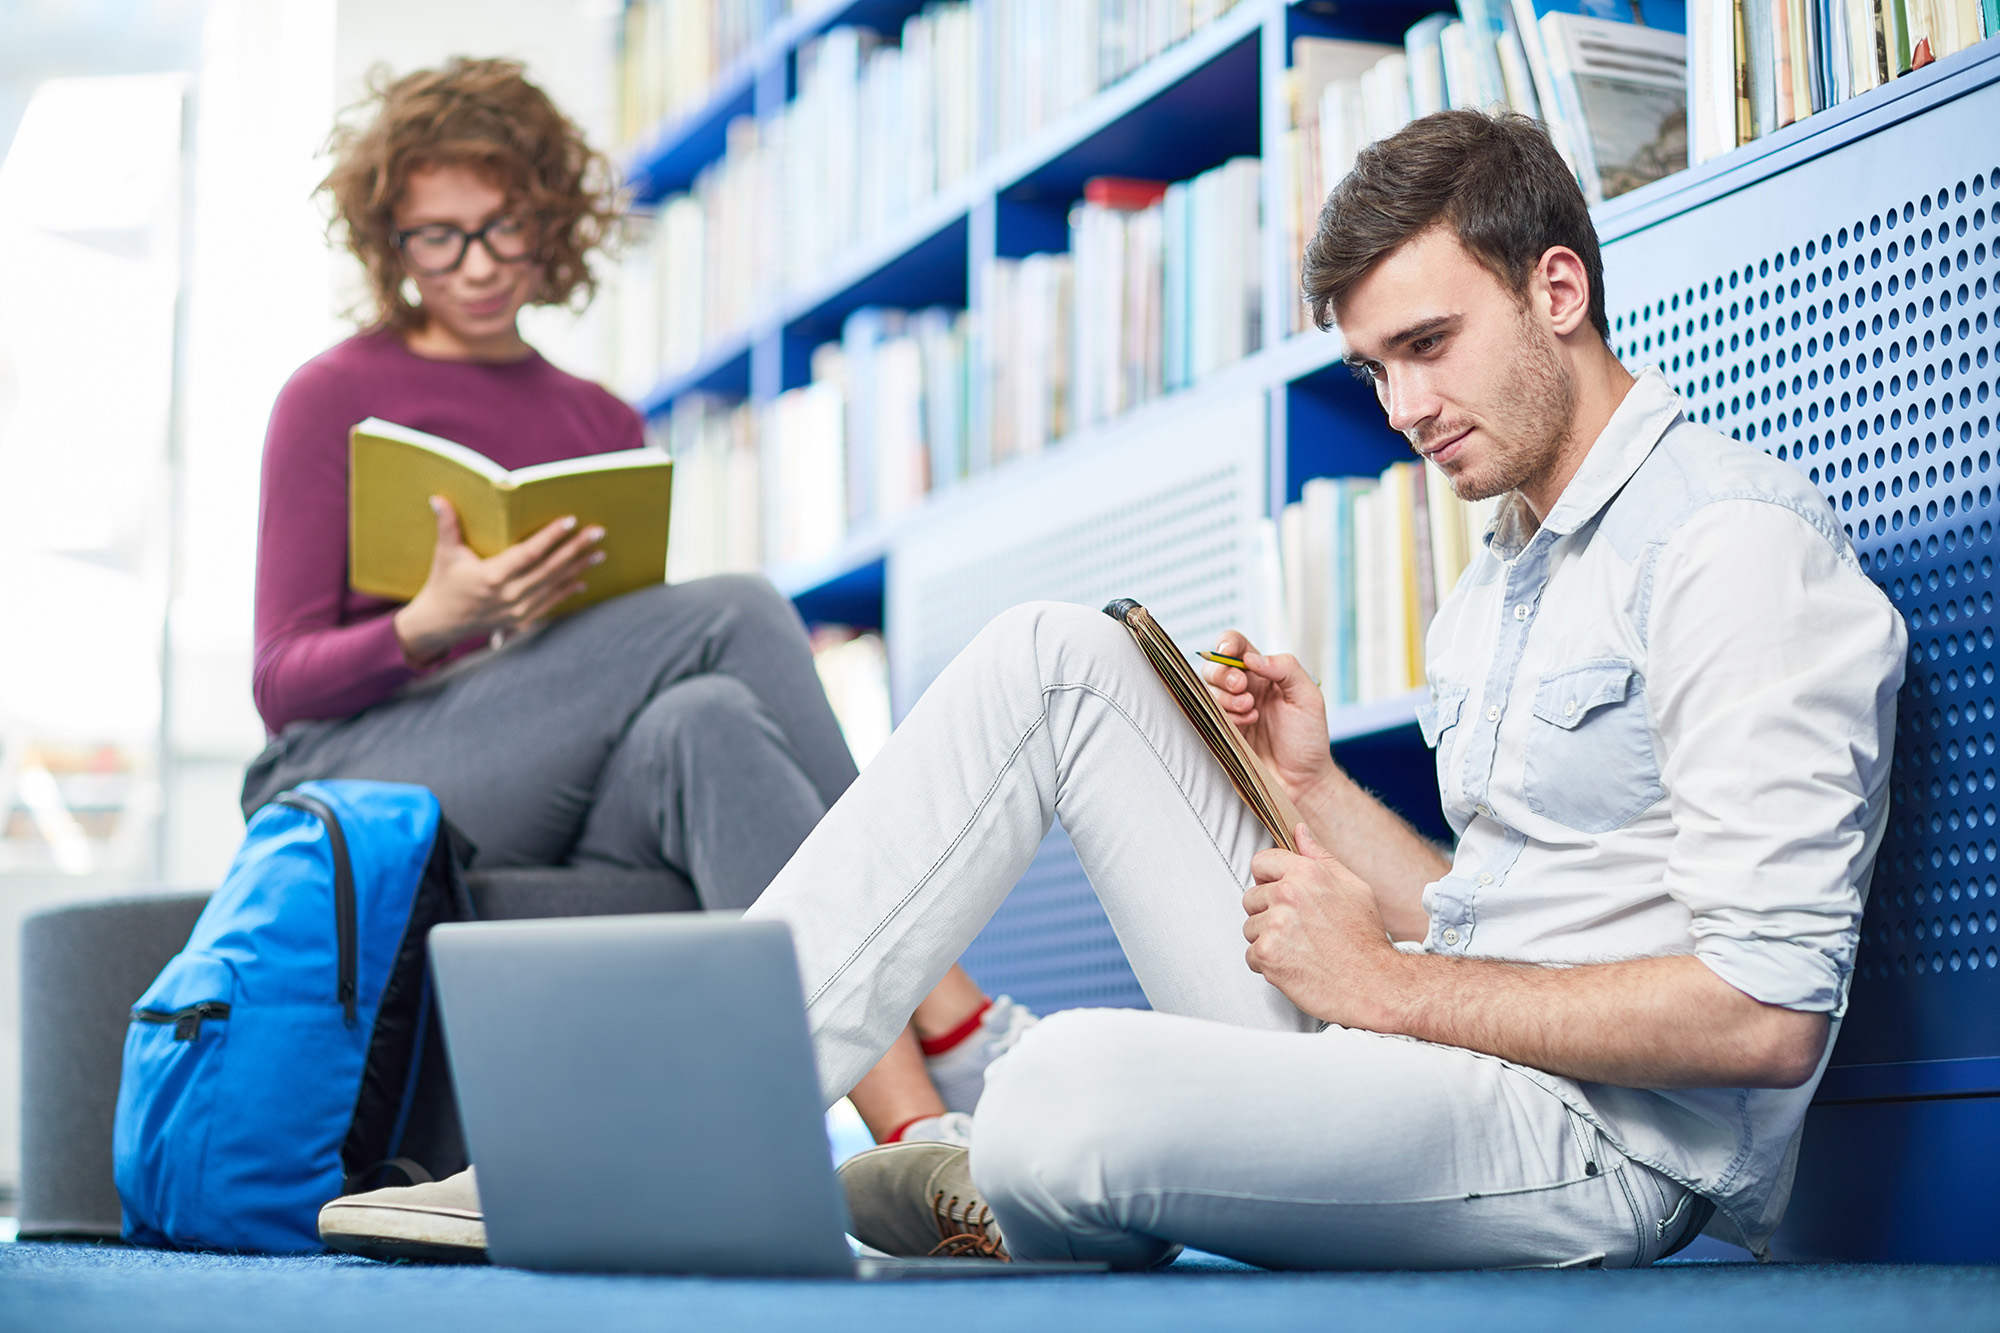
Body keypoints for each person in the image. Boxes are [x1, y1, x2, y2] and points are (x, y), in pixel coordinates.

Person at [743, 109, 1905, 1269]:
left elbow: (1763, 1015)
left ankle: (1010, 1152)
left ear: (1557, 291)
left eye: (1428, 343)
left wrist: (1388, 987)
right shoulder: (1498, 576)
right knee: (1051, 655)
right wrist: (1314, 789)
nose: (1400, 411)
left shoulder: (1729, 544)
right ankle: (724, 1111)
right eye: (1375, 368)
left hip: (1597, 1146)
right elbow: (1506, 920)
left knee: (1058, 1086)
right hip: (1425, 1058)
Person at [239, 58, 1034, 1261]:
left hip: (560, 774)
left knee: (708, 716)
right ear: (388, 236)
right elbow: (280, 680)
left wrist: (553, 640)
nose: (473, 263)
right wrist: (435, 618)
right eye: (436, 237)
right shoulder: (329, 396)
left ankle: (915, 1150)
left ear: (547, 221)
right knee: (736, 608)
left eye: (500, 228)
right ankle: (947, 989)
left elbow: (637, 661)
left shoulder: (597, 418)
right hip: (366, 777)